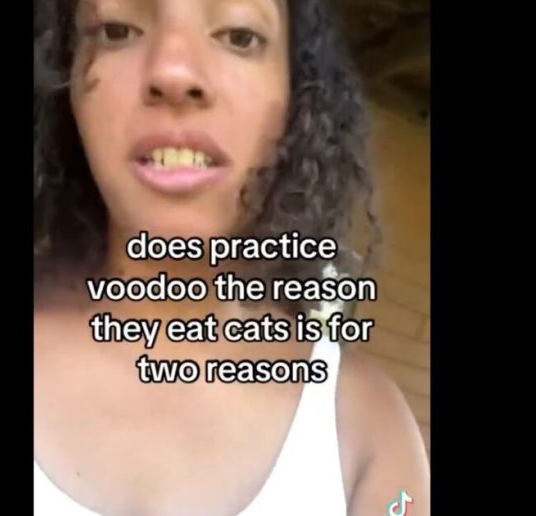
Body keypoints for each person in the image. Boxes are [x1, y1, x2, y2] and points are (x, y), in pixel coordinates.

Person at [33, 0, 430, 514]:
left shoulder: (369, 439)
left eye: (239, 36)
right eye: (116, 30)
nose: (173, 71)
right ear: (64, 85)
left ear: (296, 98)